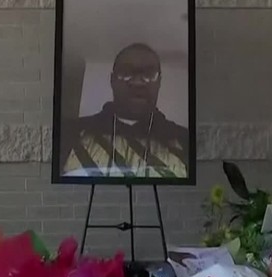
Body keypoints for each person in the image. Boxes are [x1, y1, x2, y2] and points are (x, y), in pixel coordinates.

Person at [61, 43, 189, 179]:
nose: (138, 82)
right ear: (112, 80)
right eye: (126, 72)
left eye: (149, 74)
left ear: (159, 82)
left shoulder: (184, 140)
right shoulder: (69, 133)